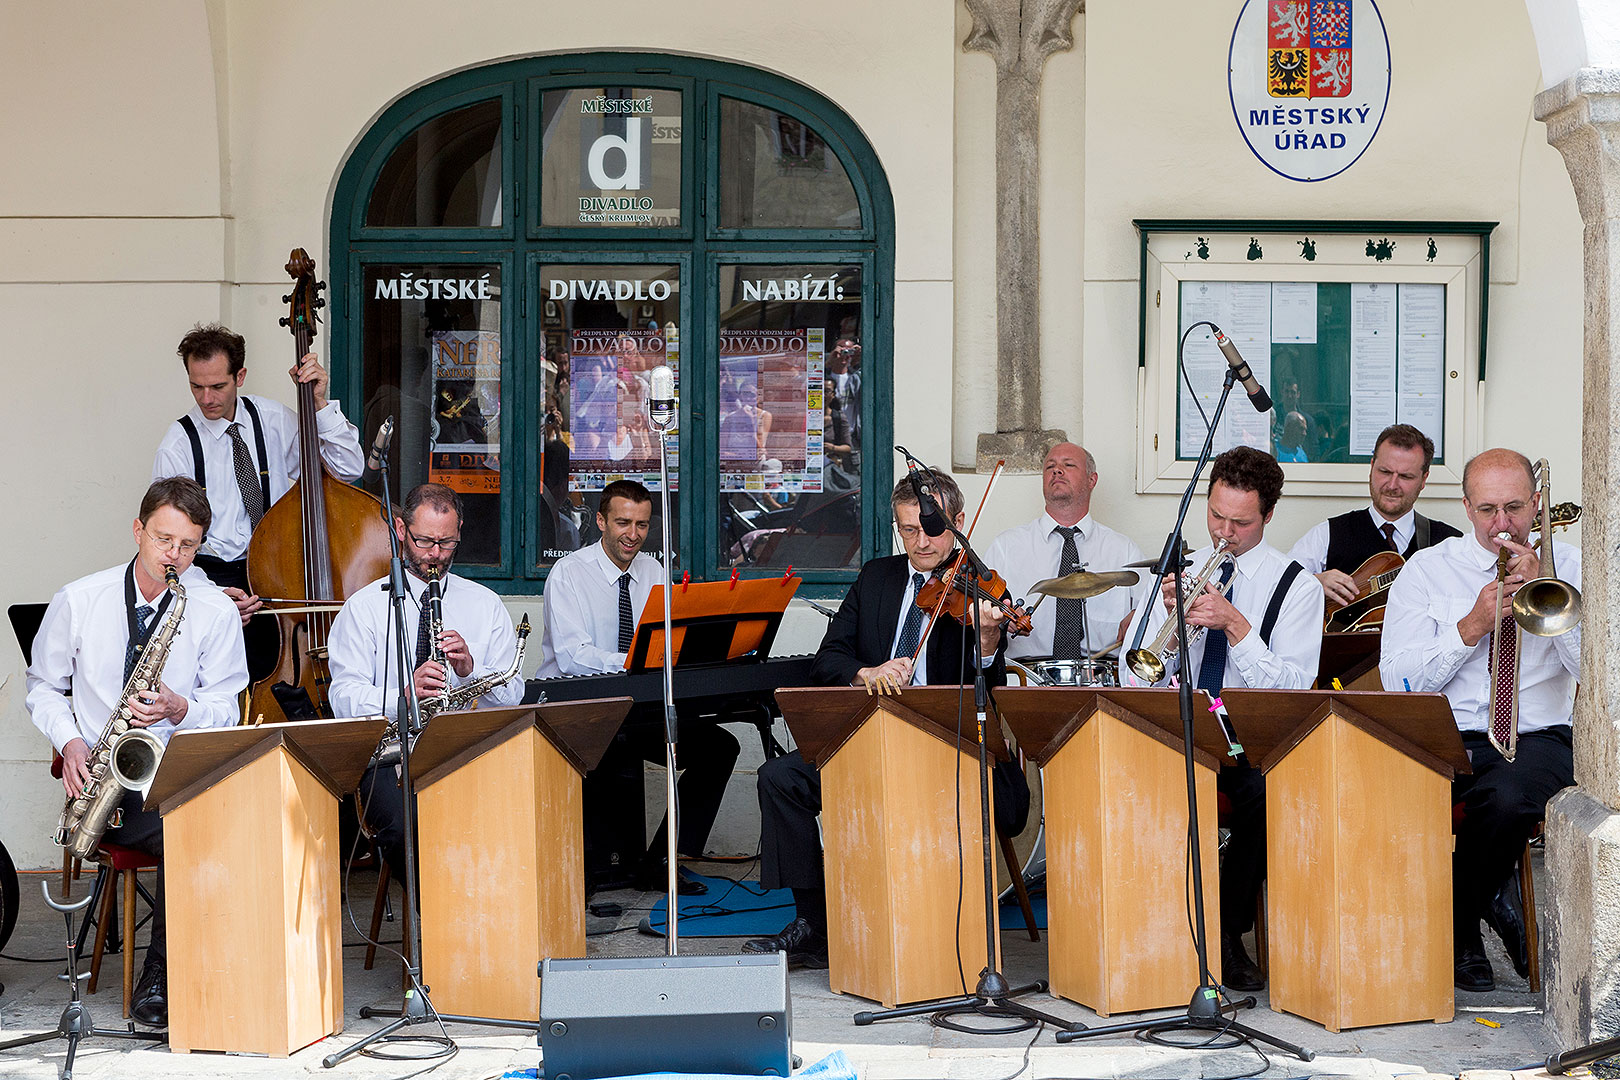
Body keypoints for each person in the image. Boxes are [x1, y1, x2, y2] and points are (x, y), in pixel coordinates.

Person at [743, 469, 1009, 969]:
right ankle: (813, 926)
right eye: (907, 529)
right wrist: (867, 671)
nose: (921, 542)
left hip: (943, 744)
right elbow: (829, 657)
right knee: (779, 777)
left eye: (931, 528)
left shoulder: (980, 585)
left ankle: (938, 923)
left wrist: (988, 640)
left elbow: (987, 686)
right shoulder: (877, 578)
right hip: (870, 734)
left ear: (958, 521)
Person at [26, 478, 249, 1028]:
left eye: (188, 546)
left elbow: (227, 706)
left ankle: (189, 973)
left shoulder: (212, 610)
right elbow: (42, 687)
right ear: (138, 530)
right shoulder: (80, 599)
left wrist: (180, 707)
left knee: (207, 823)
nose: (173, 556)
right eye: (162, 540)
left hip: (174, 772)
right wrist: (71, 740)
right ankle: (164, 978)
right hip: (107, 782)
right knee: (189, 831)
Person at [1121, 446, 1324, 992]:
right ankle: (1136, 931)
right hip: (1176, 732)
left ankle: (1228, 933)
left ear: (1269, 516)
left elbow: (1296, 687)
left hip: (1244, 743)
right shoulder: (1178, 574)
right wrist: (1166, 625)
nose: (1224, 533)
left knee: (1263, 791)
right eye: (1215, 515)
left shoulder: (1297, 586)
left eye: (1240, 522)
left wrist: (1237, 627)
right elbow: (1133, 677)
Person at [1380, 449, 1578, 992]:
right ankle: (1488, 894)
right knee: (1379, 794)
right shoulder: (1428, 569)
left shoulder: (1575, 567)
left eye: (1515, 507)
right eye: (1487, 509)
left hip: (1538, 735)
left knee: (1512, 799)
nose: (1502, 524)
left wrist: (1552, 603)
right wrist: (1469, 628)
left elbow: (1601, 674)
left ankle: (1463, 921)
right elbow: (1397, 677)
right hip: (1446, 733)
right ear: (1466, 507)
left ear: (1537, 505)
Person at [537, 479, 739, 894]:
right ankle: (597, 870)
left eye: (643, 525)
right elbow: (574, 657)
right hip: (582, 707)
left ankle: (662, 861)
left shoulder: (654, 572)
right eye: (623, 523)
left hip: (639, 705)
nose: (633, 535)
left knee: (720, 748)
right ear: (600, 522)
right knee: (613, 753)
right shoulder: (568, 574)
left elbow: (671, 644)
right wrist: (637, 664)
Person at [327, 483, 524, 886]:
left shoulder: (484, 604)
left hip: (464, 750)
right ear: (400, 530)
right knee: (407, 826)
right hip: (388, 755)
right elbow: (342, 698)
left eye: (447, 543)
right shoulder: (363, 608)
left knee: (517, 810)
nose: (435, 554)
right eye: (424, 541)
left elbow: (514, 693)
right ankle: (438, 921)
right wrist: (402, 695)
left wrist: (471, 670)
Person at [151, 324, 365, 683]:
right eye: (196, 386)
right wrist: (214, 595)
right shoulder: (177, 446)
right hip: (215, 578)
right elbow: (164, 547)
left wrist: (319, 406)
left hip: (282, 575)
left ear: (240, 376)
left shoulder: (273, 419)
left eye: (218, 386)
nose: (206, 398)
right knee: (219, 691)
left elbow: (348, 469)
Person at [985, 442, 1144, 664]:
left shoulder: (1123, 550)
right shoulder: (1006, 547)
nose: (1057, 470)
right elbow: (981, 619)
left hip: (1101, 675)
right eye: (1050, 466)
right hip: (1025, 678)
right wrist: (1001, 621)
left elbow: (1152, 616)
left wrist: (1141, 618)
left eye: (1068, 465)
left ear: (1092, 480)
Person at [1288, 423, 1462, 612]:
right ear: (1371, 467)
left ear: (1424, 479)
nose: (1392, 485)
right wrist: (1313, 582)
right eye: (1385, 472)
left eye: (1405, 476)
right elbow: (1279, 586)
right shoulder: (1328, 534)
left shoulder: (1450, 544)